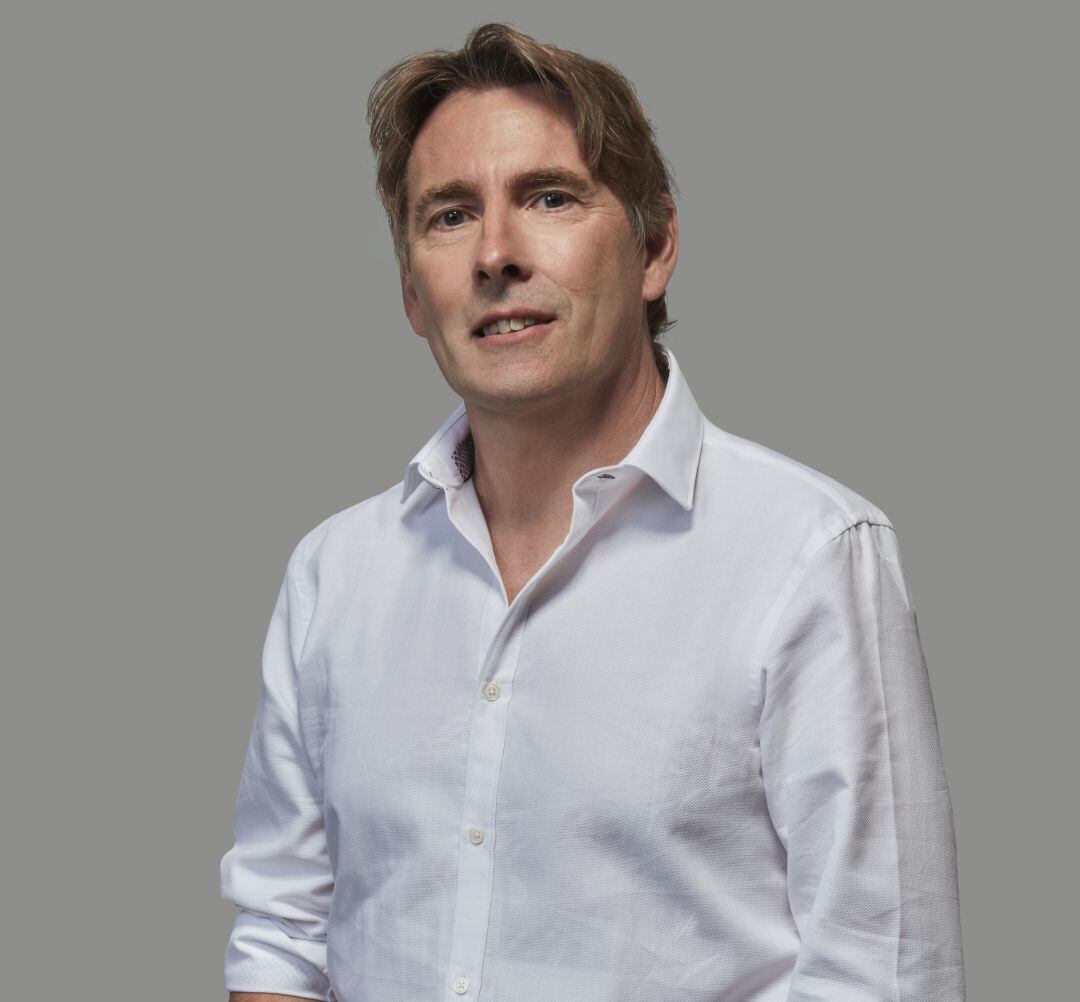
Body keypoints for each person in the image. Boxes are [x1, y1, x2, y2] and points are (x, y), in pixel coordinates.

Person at [220, 22, 965, 1002]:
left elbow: (883, 975)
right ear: (410, 291)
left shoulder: (808, 556)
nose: (495, 254)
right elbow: (282, 935)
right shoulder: (334, 575)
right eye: (450, 215)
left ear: (655, 246)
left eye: (549, 198)